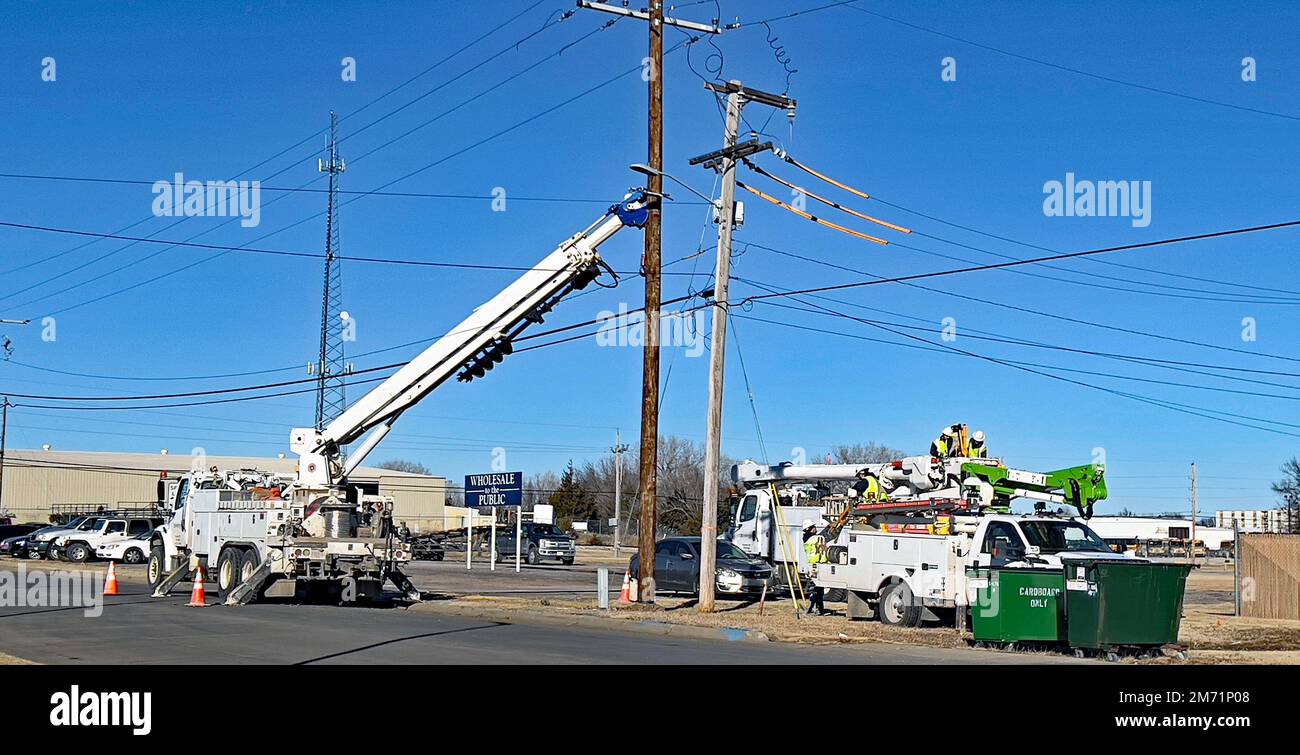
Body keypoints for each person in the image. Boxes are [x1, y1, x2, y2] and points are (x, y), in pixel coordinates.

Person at [802, 520, 829, 615]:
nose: (815, 529)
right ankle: (816, 608)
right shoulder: (812, 539)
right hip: (815, 565)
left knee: (819, 589)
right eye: (813, 527)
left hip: (816, 564)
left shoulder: (809, 538)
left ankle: (817, 609)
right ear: (808, 529)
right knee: (817, 589)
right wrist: (829, 528)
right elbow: (825, 537)